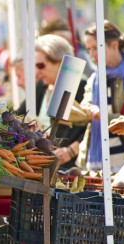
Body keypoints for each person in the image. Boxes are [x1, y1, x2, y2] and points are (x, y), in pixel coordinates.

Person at [76, 20, 124, 173]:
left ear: (114, 45)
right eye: (88, 49)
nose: (91, 55)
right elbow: (86, 104)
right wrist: (87, 108)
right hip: (96, 164)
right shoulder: (94, 78)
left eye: (96, 48)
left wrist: (104, 115)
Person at [34, 34, 87, 170]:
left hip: (71, 169)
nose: (37, 72)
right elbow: (19, 114)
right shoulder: (41, 87)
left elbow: (95, 128)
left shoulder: (81, 87)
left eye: (40, 66)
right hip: (44, 166)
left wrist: (72, 150)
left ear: (60, 62)